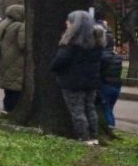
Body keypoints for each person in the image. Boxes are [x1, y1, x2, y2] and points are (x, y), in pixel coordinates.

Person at [51, 11, 103, 145]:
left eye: (69, 21)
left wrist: (53, 67)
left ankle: (84, 137)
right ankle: (94, 136)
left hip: (72, 82)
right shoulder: (97, 42)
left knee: (77, 111)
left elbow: (60, 61)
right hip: (91, 81)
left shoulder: (71, 43)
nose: (66, 23)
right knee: (90, 108)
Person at [0, 5, 26, 114]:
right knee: (16, 86)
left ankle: (6, 107)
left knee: (8, 85)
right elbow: (23, 44)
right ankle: (13, 109)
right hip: (17, 60)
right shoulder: (20, 26)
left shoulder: (2, 24)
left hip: (4, 58)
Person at [99, 31, 123, 129]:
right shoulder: (117, 57)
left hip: (106, 85)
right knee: (110, 108)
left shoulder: (102, 56)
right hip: (116, 85)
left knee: (106, 109)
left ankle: (110, 126)